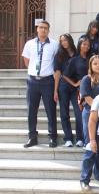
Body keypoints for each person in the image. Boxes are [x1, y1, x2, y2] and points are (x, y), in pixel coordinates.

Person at [22, 20, 58, 148]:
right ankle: (32, 137)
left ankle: (53, 137)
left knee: (50, 110)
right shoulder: (29, 44)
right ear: (37, 29)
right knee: (31, 110)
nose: (43, 30)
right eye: (41, 27)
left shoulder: (54, 45)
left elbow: (56, 63)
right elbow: (26, 61)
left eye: (46, 28)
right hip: (32, 81)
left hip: (48, 81)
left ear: (48, 30)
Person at [79, 55, 99, 191]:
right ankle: (84, 179)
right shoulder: (86, 79)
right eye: (95, 63)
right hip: (91, 115)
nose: (98, 65)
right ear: (91, 65)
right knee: (91, 146)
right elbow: (88, 98)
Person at [62, 37, 92, 147]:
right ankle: (80, 138)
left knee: (88, 115)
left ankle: (83, 138)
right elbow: (64, 75)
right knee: (79, 114)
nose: (86, 46)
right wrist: (74, 84)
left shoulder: (92, 58)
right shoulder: (74, 60)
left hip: (92, 90)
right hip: (79, 91)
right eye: (84, 44)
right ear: (79, 45)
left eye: (88, 45)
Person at [54, 34, 79, 147]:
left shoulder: (78, 53)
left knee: (78, 112)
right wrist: (55, 90)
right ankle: (68, 138)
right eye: (62, 41)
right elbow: (58, 73)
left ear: (70, 40)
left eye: (65, 40)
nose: (64, 42)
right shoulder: (59, 55)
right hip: (63, 86)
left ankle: (80, 138)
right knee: (64, 113)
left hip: (76, 86)